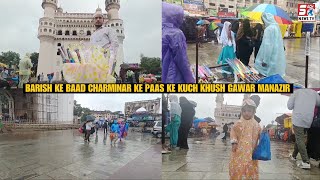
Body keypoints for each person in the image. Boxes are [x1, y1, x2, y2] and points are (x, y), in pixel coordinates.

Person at [162, 2, 195, 83]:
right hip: (174, 77)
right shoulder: (176, 34)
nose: (183, 19)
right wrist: (191, 80)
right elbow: (183, 61)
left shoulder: (161, 31)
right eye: (181, 16)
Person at [288, 88, 320, 169]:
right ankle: (294, 156)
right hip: (308, 120)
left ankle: (305, 162)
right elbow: (319, 103)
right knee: (300, 139)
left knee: (299, 139)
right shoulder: (314, 93)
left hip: (298, 119)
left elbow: (289, 106)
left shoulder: (296, 92)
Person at [229, 99, 261, 179]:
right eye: (244, 111)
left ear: (253, 112)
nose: (246, 113)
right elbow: (233, 132)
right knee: (239, 165)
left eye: (249, 111)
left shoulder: (256, 124)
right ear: (242, 111)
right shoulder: (238, 123)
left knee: (250, 165)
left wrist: (263, 133)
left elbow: (260, 135)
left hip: (251, 151)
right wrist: (234, 142)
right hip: (239, 150)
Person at [255, 13, 286, 77]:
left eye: (263, 20)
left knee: (266, 77)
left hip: (269, 60)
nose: (263, 22)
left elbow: (267, 46)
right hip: (275, 58)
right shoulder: (276, 27)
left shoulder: (269, 29)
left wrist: (265, 60)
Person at [90, 9, 119, 76]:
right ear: (93, 21)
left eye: (100, 18)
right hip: (96, 62)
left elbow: (115, 43)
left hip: (107, 60)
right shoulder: (92, 36)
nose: (98, 19)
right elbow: (92, 49)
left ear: (103, 20)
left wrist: (111, 58)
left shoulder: (108, 30)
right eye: (96, 18)